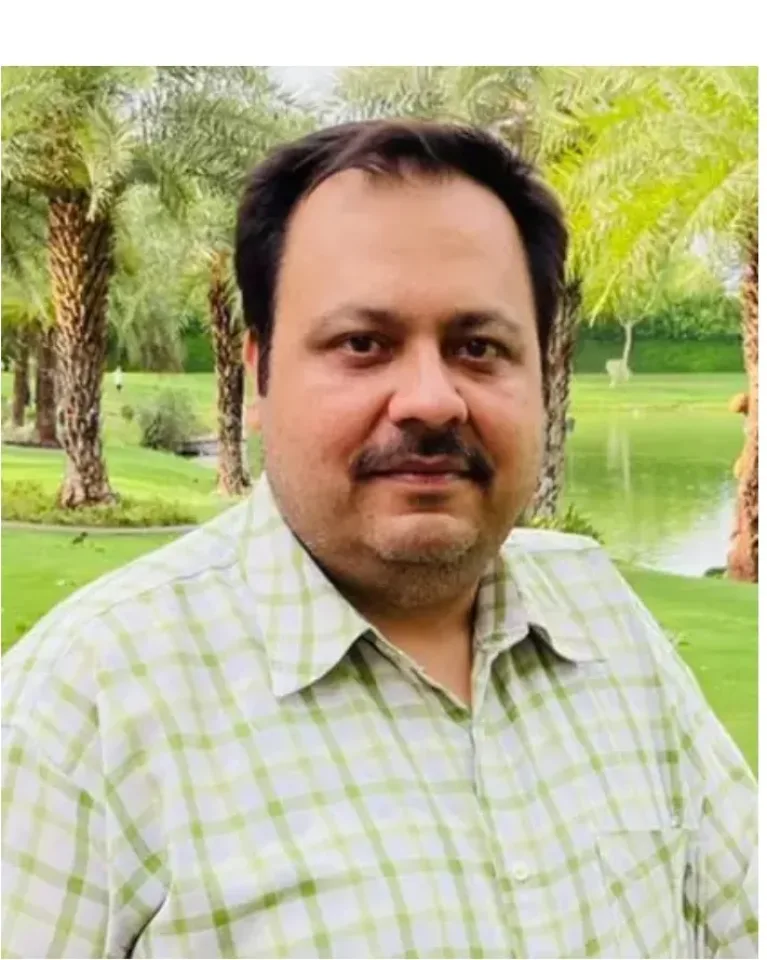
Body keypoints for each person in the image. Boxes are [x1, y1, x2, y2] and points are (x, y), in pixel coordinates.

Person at [1, 121, 757, 959]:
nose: (430, 401)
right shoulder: (84, 708)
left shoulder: (604, 620)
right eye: (362, 344)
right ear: (258, 376)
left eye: (479, 348)